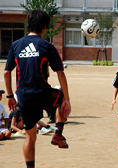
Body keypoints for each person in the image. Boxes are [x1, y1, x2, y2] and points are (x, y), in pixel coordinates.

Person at [4, 9, 71, 168]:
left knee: (30, 137)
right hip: (42, 93)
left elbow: (7, 73)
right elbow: (60, 74)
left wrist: (10, 97)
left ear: (28, 26)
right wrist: (67, 98)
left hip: (24, 96)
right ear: (45, 27)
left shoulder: (16, 45)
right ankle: (58, 134)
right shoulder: (47, 46)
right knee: (61, 98)